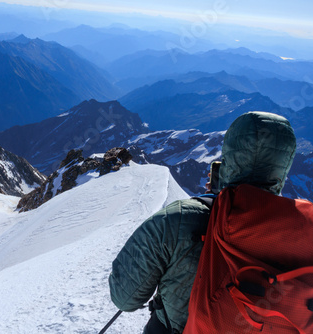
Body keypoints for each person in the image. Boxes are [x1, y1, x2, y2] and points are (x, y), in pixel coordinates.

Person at [108, 111, 298, 333]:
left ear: (229, 156)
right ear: (284, 165)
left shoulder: (177, 220)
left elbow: (124, 298)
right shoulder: (299, 237)